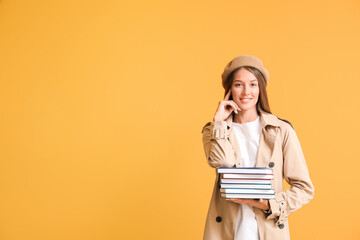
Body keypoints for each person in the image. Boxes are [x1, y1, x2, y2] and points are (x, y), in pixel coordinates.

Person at [201, 55, 314, 240]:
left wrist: (270, 204)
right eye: (238, 84)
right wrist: (219, 123)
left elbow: (304, 188)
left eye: (253, 84)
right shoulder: (213, 130)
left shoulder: (280, 130)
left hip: (268, 230)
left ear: (261, 88)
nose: (246, 91)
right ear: (229, 89)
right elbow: (222, 161)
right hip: (226, 231)